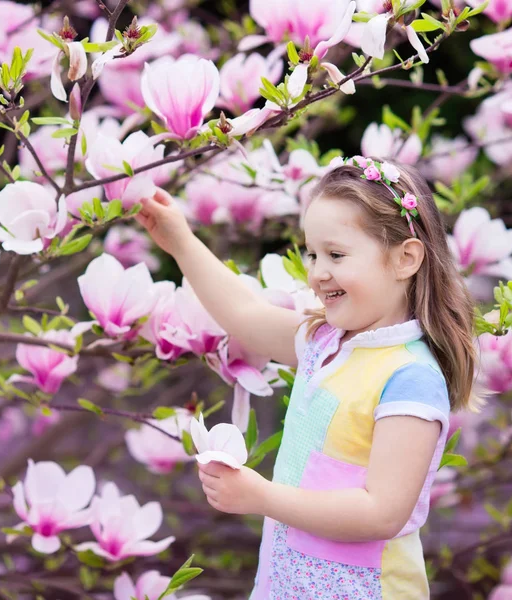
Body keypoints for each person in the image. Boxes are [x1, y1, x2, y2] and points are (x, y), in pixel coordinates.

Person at [136, 156, 478, 600]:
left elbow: (382, 513)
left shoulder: (409, 376)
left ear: (405, 258)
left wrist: (262, 498)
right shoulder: (326, 343)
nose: (317, 272)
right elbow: (245, 314)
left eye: (335, 254)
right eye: (313, 254)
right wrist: (180, 242)